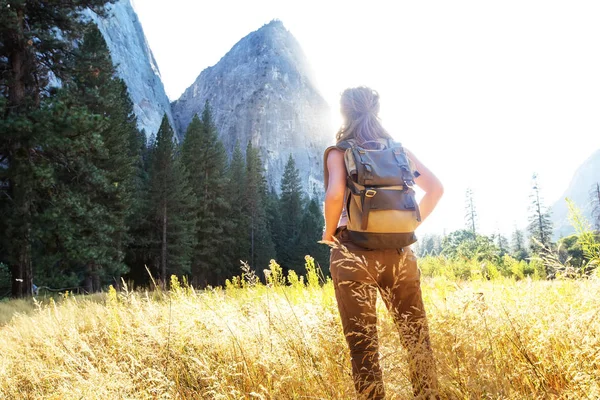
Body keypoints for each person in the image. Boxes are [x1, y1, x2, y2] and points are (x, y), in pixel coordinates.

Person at [322, 86, 444, 399]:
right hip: (401, 253)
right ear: (376, 112)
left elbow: (336, 194)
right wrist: (411, 224)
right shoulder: (399, 152)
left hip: (353, 252)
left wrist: (328, 232)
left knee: (363, 348)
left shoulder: (340, 152)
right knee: (417, 340)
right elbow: (436, 189)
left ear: (344, 113)